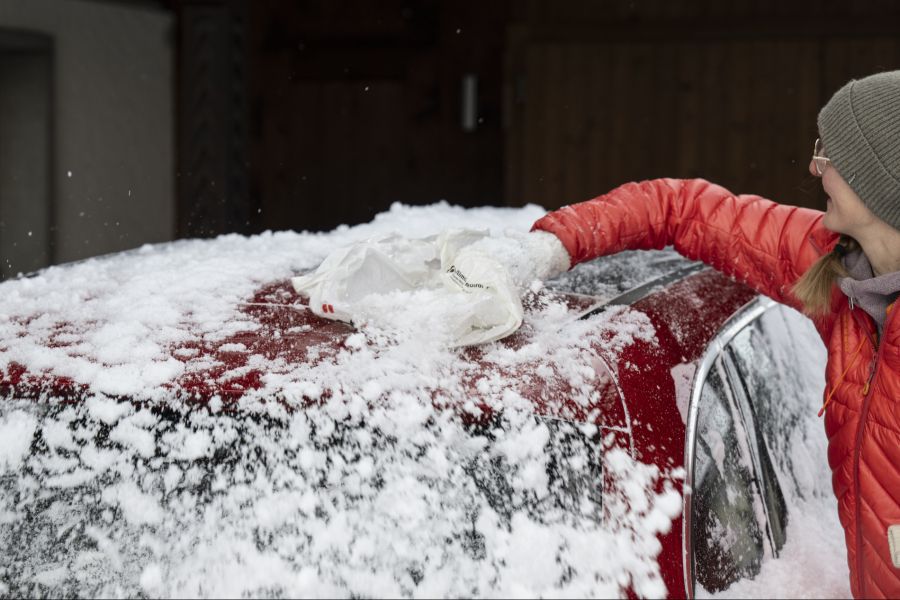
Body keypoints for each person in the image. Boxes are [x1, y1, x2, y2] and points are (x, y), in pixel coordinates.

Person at [519, 70, 900, 597]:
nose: (815, 167)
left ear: (879, 181)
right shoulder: (840, 272)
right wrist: (550, 247)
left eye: (830, 154)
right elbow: (686, 211)